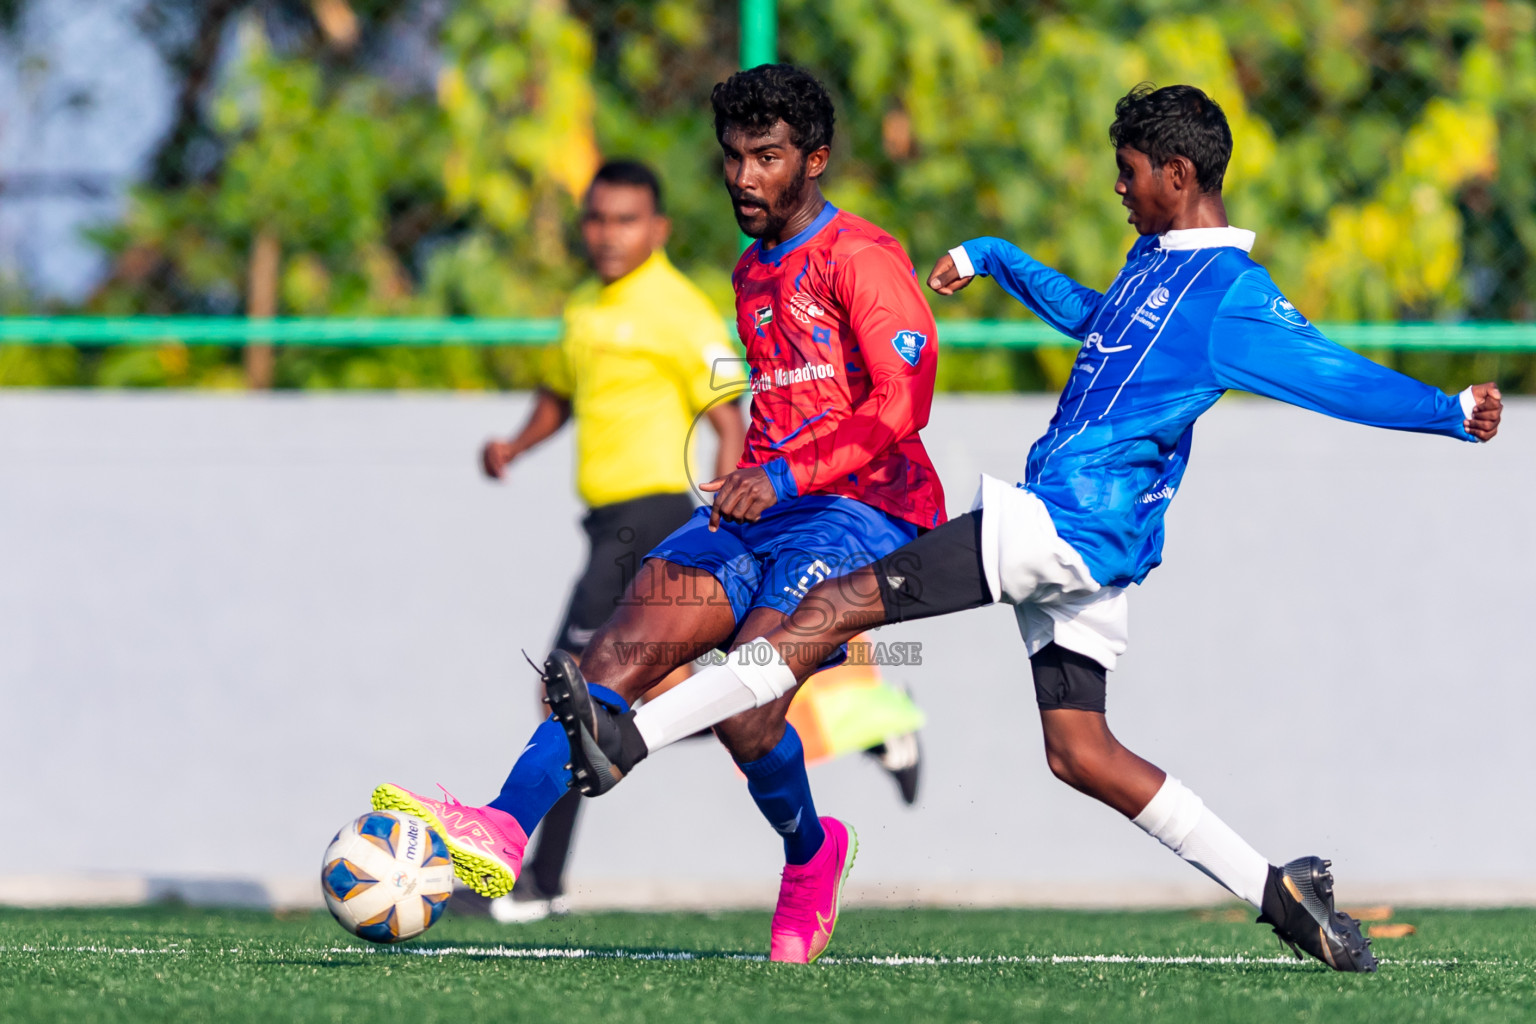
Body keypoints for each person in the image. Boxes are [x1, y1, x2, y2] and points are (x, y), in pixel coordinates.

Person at [552, 83, 1505, 974]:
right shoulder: (1156, 265)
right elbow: (1098, 326)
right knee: (1079, 753)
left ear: (1179, 176)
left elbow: (1332, 375)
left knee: (834, 604)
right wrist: (999, 259)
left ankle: (627, 738)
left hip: (1063, 523)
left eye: (1129, 171)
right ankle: (1281, 892)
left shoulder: (1231, 295)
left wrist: (1448, 410)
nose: (1118, 188)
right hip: (1092, 553)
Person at [373, 64, 947, 963]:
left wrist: (786, 477)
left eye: (768, 157)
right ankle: (502, 827)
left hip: (861, 515)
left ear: (816, 160)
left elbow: (902, 405)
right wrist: (754, 482)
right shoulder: (751, 272)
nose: (745, 177)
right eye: (733, 158)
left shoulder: (864, 258)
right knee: (603, 661)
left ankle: (812, 851)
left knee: (747, 715)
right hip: (758, 513)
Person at [472, 158, 746, 922]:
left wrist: (724, 517)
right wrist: (515, 445)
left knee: (571, 694)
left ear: (657, 229)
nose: (608, 233)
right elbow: (560, 392)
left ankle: (533, 881)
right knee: (600, 698)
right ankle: (814, 721)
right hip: (605, 524)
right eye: (596, 218)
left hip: (652, 517)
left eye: (625, 219)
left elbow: (730, 418)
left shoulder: (681, 308)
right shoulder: (584, 307)